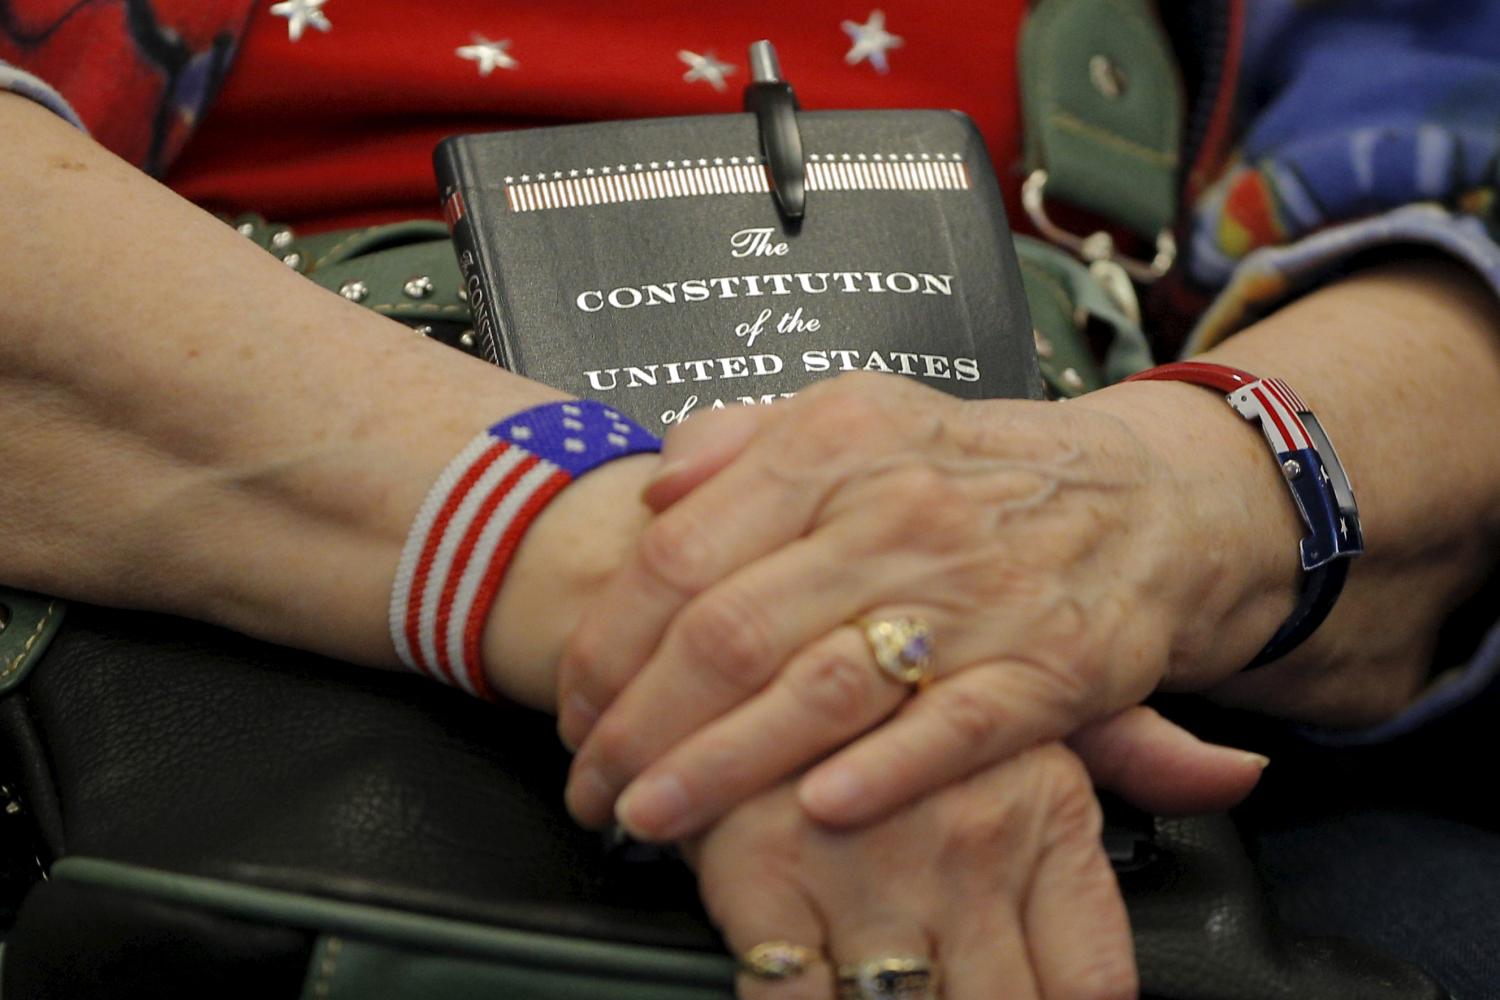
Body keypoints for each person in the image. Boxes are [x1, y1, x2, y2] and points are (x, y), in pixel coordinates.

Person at [4, 2, 1500, 997]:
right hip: (210, 619)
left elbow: (1453, 252)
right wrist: (643, 567)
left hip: (1120, 643)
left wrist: (1148, 505)